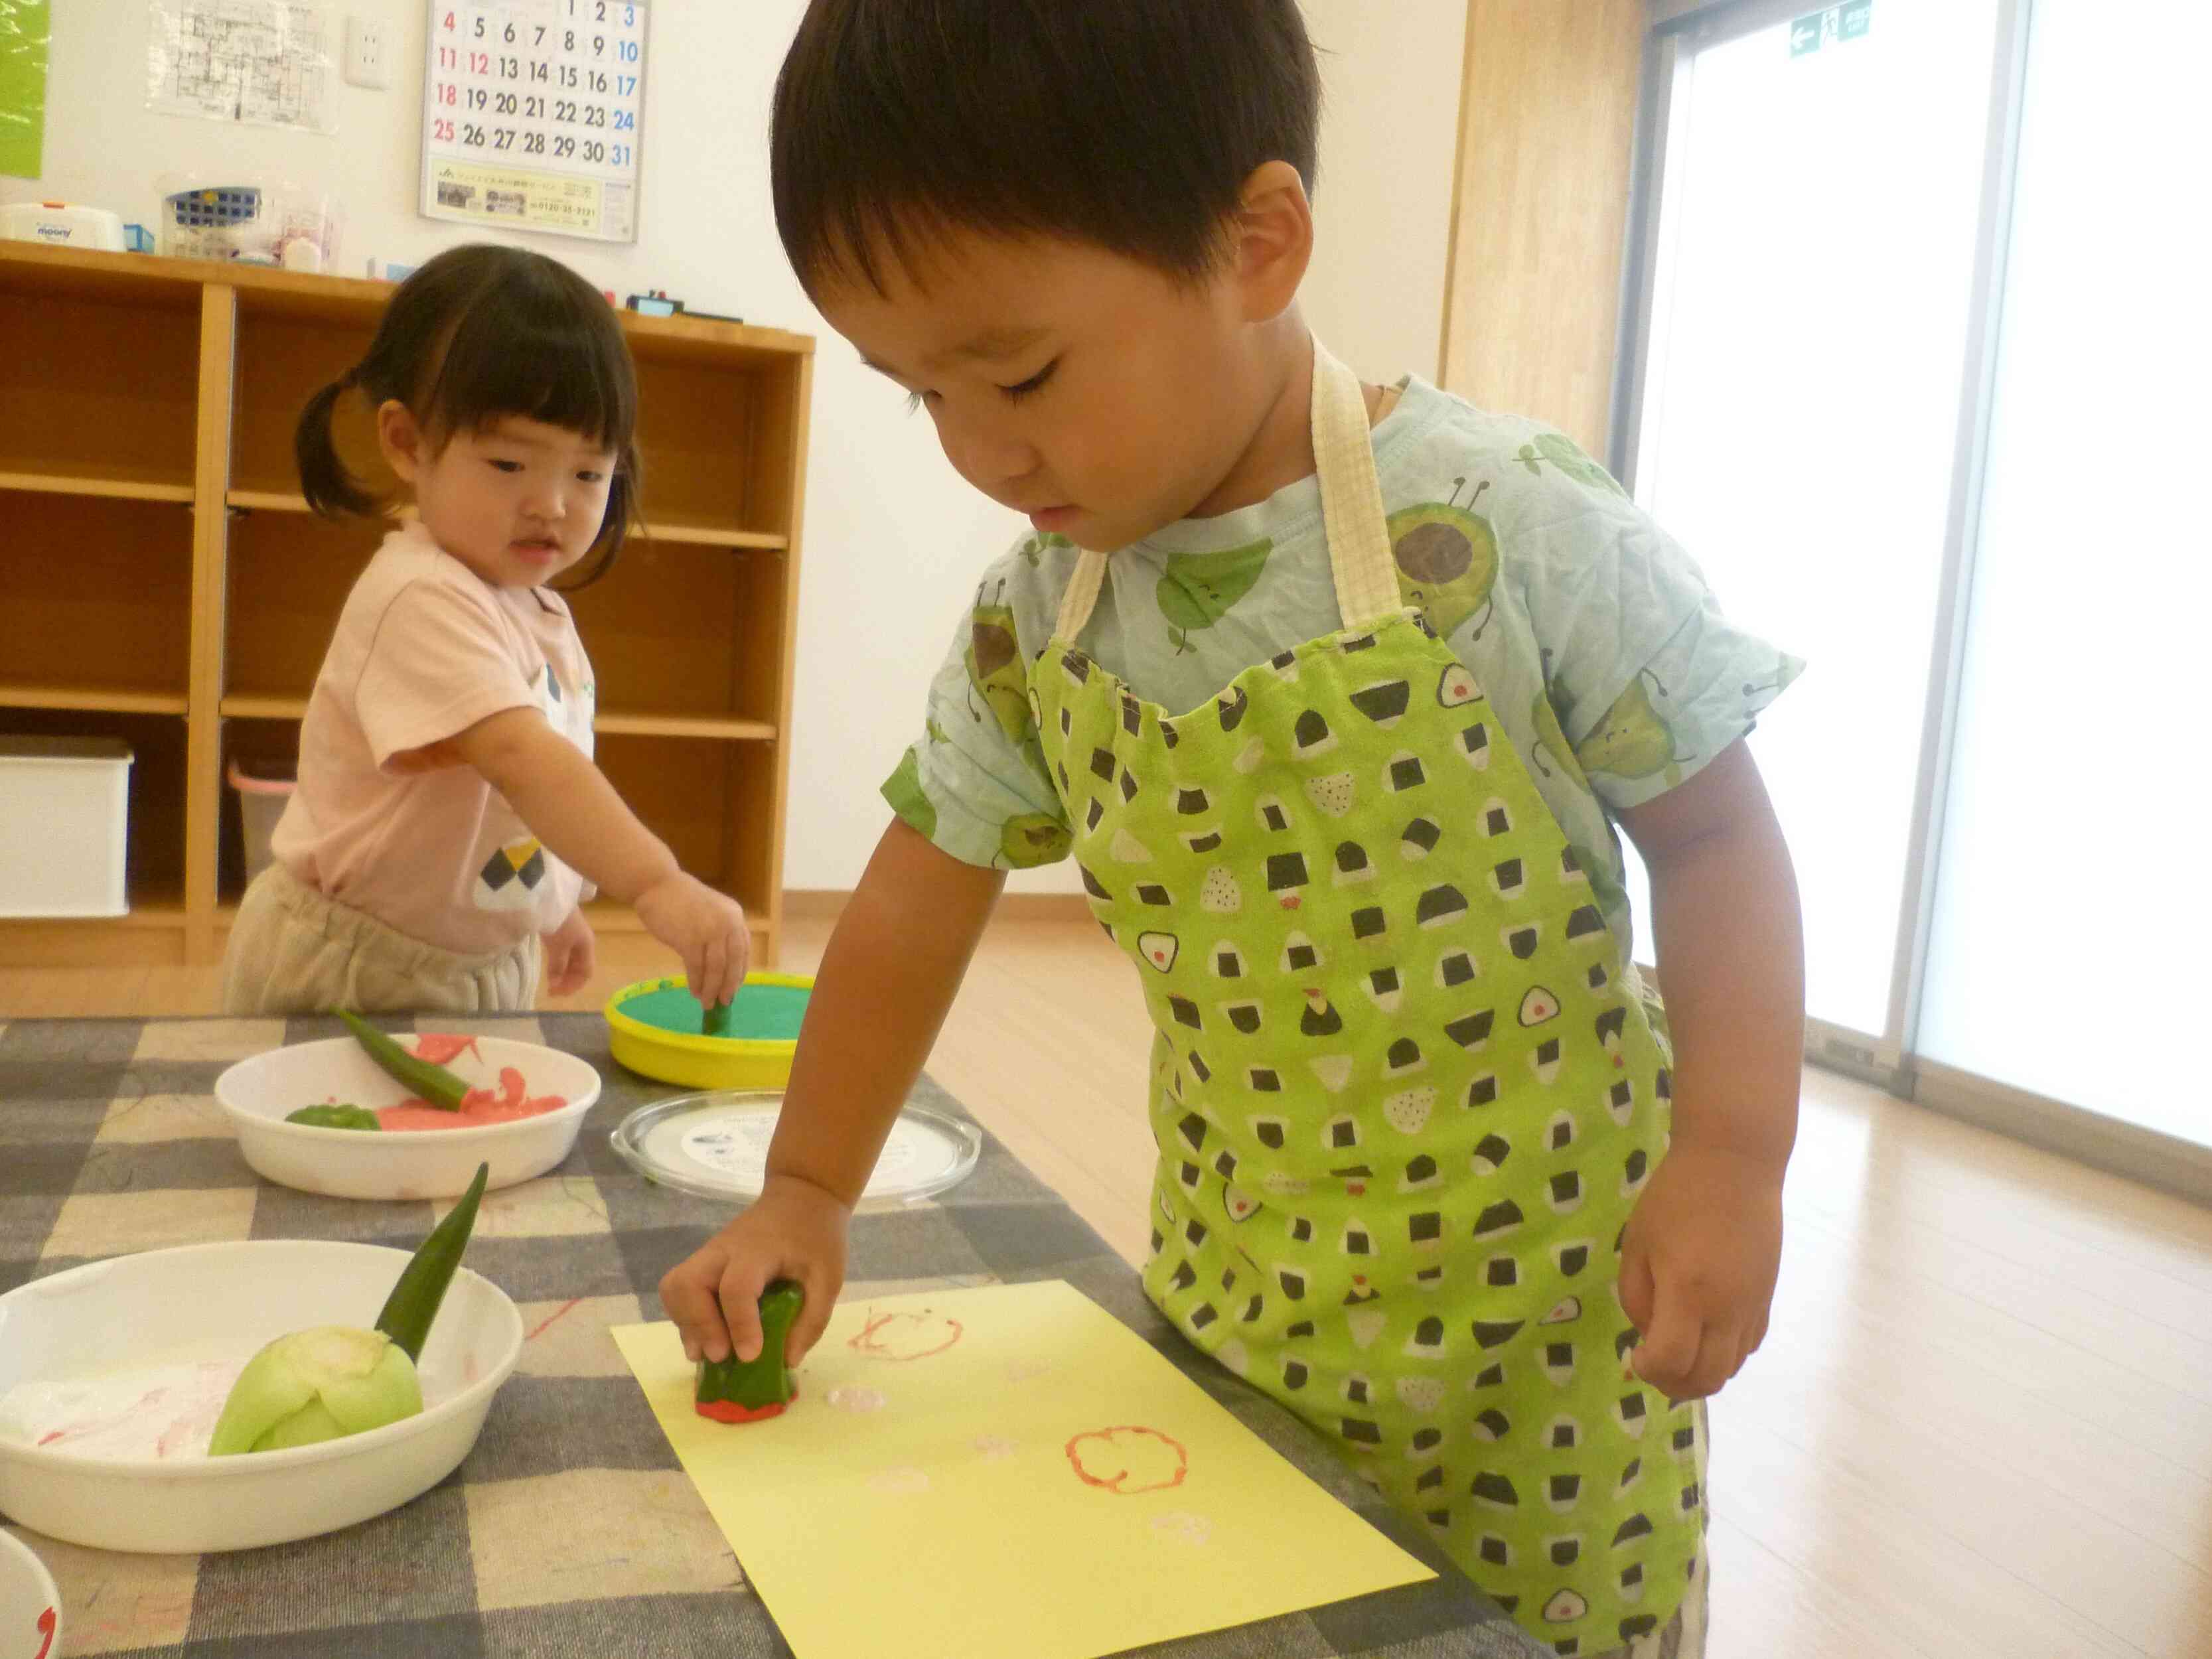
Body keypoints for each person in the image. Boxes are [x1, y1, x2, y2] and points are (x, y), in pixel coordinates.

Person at [662, 5, 1805, 1652]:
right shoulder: (1039, 613)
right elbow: (920, 892)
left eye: (1025, 372)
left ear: (1258, 242)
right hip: (1236, 1299)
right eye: (922, 398)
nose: (985, 453)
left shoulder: (1505, 525)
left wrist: (1731, 1157)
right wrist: (806, 1185)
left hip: (1555, 1338)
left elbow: (1715, 842)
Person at [220, 244, 750, 1017]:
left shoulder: (531, 606)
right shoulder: (421, 595)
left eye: (588, 473)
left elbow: (504, 801)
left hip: (471, 960)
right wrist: (656, 880)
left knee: (472, 1138)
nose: (553, 505)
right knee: (335, 1133)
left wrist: (549, 906)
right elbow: (521, 759)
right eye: (509, 464)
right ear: (406, 443)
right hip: (354, 969)